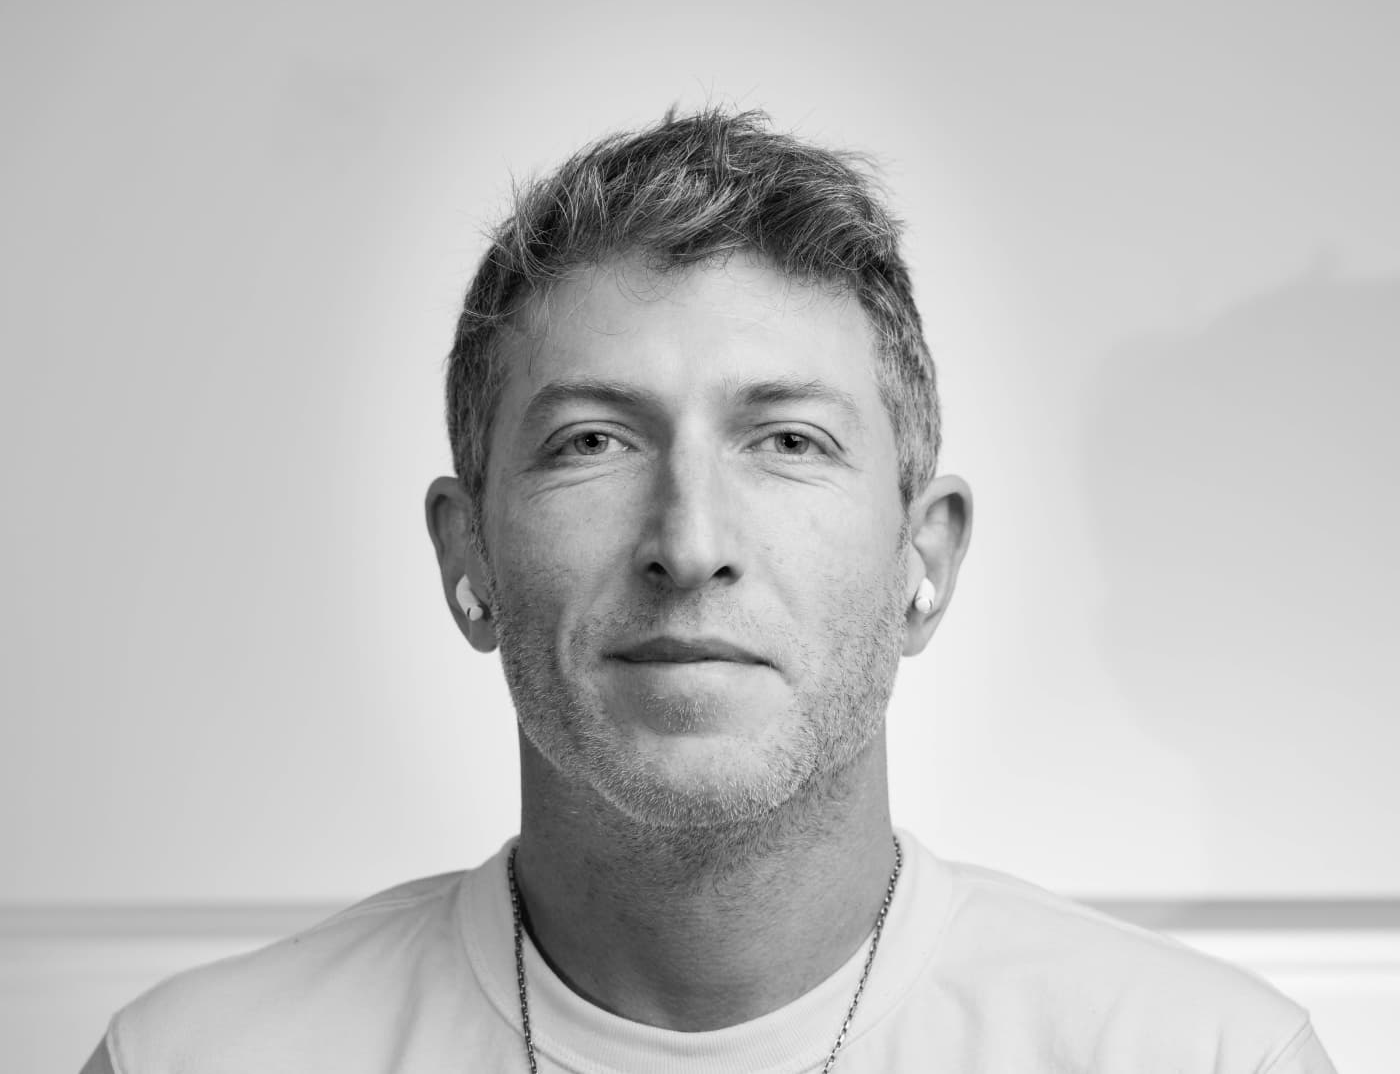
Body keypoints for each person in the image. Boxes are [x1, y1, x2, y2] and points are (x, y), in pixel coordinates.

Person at [82, 108, 1336, 1073]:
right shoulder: (200, 1057)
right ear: (466, 558)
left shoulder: (1198, 1056)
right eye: (591, 440)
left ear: (926, 557)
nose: (689, 543)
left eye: (787, 440)